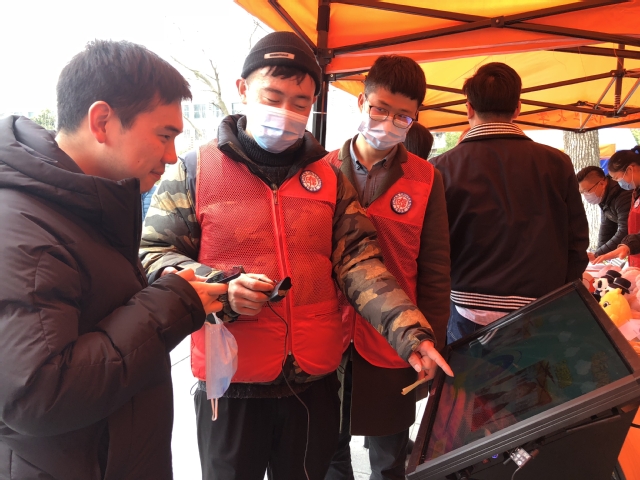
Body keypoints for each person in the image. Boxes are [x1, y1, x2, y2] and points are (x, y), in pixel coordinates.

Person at [140, 32, 453, 480]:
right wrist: (221, 289)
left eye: (300, 102)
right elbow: (155, 255)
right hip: (231, 383)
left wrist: (411, 332)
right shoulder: (195, 170)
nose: (285, 112)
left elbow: (360, 263)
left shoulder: (330, 178)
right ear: (243, 89)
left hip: (312, 383)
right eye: (273, 97)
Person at [0, 40, 227, 480]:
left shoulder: (87, 207)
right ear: (102, 121)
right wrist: (169, 303)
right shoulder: (24, 228)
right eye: (164, 136)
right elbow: (38, 394)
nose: (171, 157)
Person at [323, 55, 450, 480]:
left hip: (394, 342)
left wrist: (430, 338)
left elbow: (435, 270)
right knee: (327, 452)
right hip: (328, 335)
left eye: (402, 116)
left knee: (390, 458)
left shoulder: (426, 179)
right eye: (380, 108)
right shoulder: (320, 171)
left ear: (414, 119)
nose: (388, 122)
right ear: (362, 102)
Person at [432, 62, 589, 344]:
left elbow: (433, 248)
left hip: (468, 309)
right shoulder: (557, 163)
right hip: (542, 308)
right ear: (518, 108)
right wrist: (561, 290)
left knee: (470, 374)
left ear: (468, 108)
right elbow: (577, 240)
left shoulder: (441, 168)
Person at [594, 146, 640, 264]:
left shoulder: (624, 196)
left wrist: (627, 246)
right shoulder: (635, 192)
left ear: (630, 170)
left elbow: (624, 229)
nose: (618, 183)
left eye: (617, 178)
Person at [576, 166, 631, 261]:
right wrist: (598, 254)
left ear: (601, 183)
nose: (585, 196)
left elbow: (625, 229)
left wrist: (598, 254)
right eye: (582, 192)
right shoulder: (603, 196)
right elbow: (607, 226)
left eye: (586, 191)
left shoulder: (623, 195)